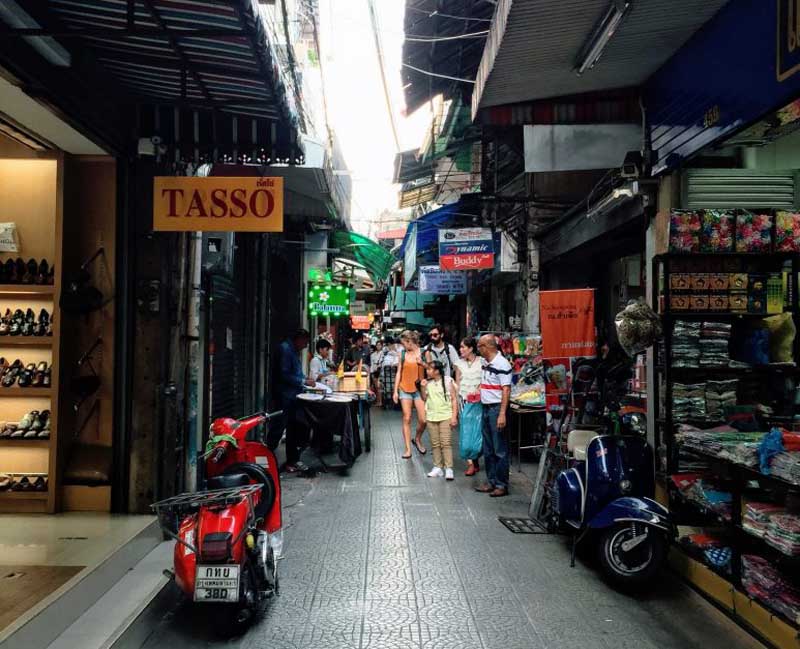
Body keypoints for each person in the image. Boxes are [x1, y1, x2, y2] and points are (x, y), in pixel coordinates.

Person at [474, 334, 512, 497]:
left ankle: (501, 484)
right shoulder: (485, 363)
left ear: (488, 347)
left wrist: (502, 414)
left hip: (496, 409)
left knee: (499, 449)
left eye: (480, 346)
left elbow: (506, 389)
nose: (478, 349)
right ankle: (491, 481)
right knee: (488, 448)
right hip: (486, 408)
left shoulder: (502, 364)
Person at [274, 329, 315, 473]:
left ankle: (292, 460)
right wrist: (303, 381)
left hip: (293, 397)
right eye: (305, 342)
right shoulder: (286, 350)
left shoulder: (293, 351)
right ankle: (269, 458)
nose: (305, 346)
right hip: (285, 396)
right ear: (299, 339)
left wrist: (305, 380)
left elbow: (296, 372)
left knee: (294, 428)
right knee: (279, 428)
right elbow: (284, 374)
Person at [420, 360, 458, 480]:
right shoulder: (428, 383)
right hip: (431, 416)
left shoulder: (447, 381)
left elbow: (453, 399)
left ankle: (449, 468)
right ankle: (437, 467)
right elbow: (424, 398)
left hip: (446, 416)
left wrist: (454, 416)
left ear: (437, 371)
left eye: (430, 369)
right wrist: (422, 387)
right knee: (435, 444)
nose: (427, 371)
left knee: (445, 443)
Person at [392, 330, 427, 459]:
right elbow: (398, 373)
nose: (403, 346)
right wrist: (395, 391)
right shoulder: (402, 354)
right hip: (404, 388)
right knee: (406, 418)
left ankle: (417, 438)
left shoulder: (423, 353)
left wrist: (422, 363)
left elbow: (431, 368)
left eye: (404, 344)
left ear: (410, 342)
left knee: (423, 420)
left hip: (419, 390)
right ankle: (408, 449)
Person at [454, 336, 483, 476]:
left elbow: (485, 379)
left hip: (479, 401)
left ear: (471, 348)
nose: (461, 349)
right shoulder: (459, 364)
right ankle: (470, 463)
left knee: (477, 430)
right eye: (460, 347)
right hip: (464, 400)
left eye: (463, 347)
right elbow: (457, 382)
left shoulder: (482, 362)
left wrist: (479, 390)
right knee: (466, 430)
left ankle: (476, 459)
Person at [370, 341, 384, 407]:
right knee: (376, 387)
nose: (378, 346)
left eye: (379, 345)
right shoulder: (373, 354)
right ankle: (377, 401)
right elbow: (372, 364)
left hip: (380, 372)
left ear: (382, 346)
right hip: (373, 371)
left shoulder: (383, 353)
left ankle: (380, 401)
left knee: (378, 387)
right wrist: (371, 371)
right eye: (377, 345)